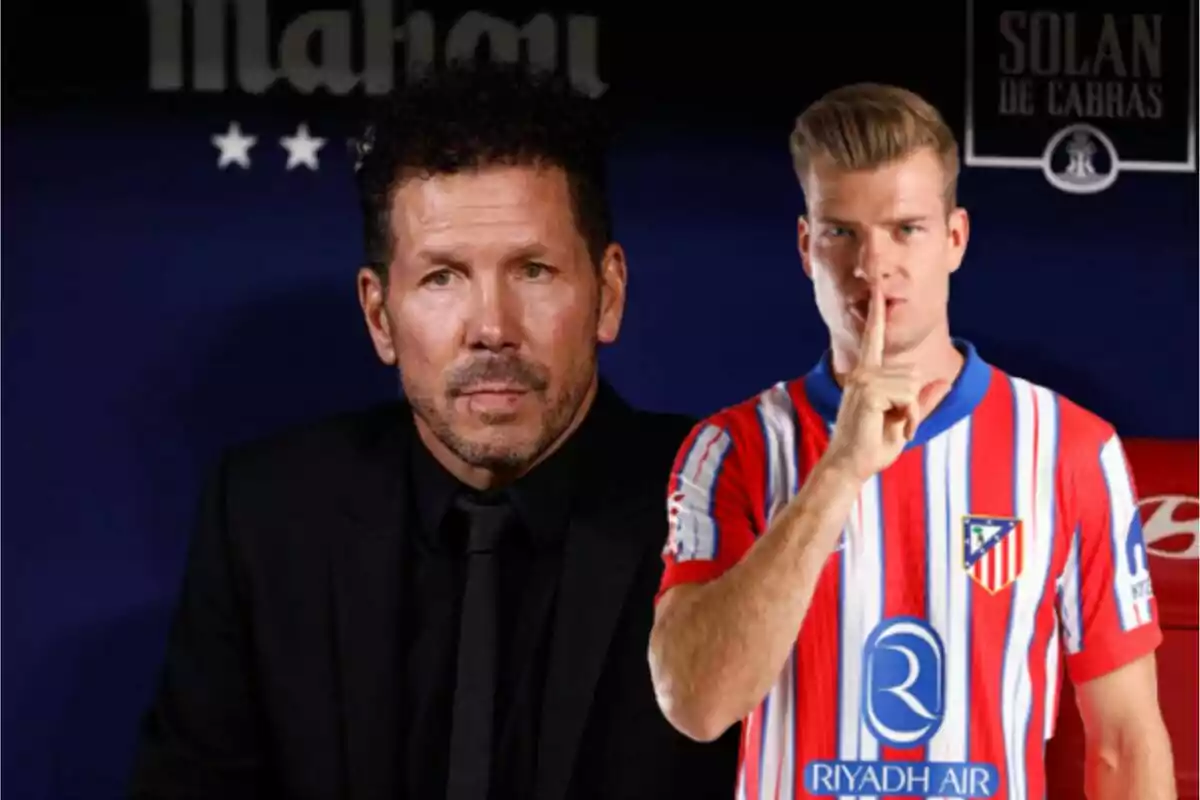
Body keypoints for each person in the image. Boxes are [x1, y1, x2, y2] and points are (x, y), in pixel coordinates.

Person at [129, 60, 739, 800]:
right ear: (380, 316)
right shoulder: (266, 519)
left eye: (534, 270)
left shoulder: (736, 510)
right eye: (442, 277)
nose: (491, 328)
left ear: (607, 296)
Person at [647, 83, 1177, 800]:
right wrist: (838, 472)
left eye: (905, 229)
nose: (872, 265)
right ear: (806, 246)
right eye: (841, 232)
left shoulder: (1070, 450)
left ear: (955, 238)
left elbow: (1124, 743)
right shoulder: (732, 448)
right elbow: (697, 705)